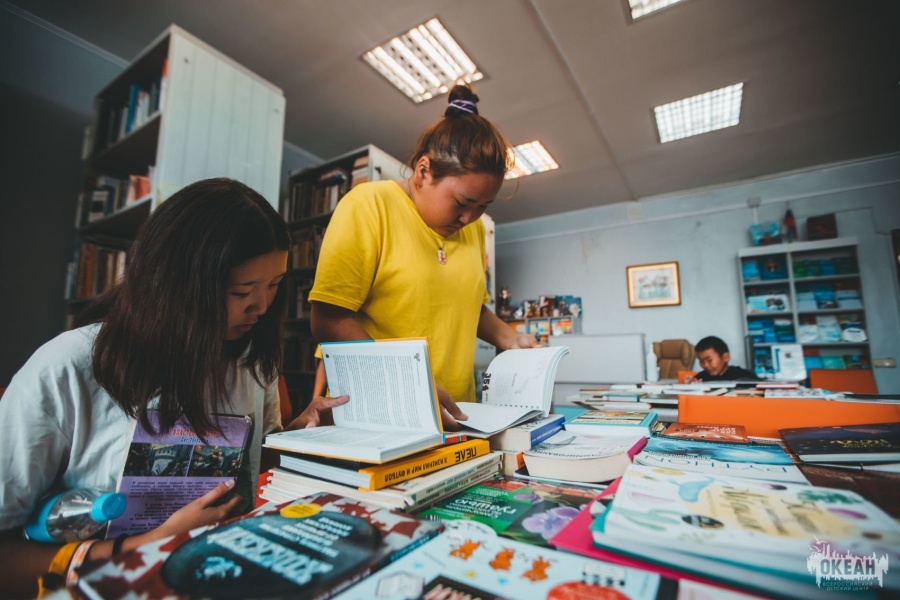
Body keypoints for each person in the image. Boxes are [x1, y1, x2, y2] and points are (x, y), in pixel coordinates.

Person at [0, 177, 344, 597]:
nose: (261, 306)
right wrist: (146, 546)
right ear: (175, 284)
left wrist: (300, 436)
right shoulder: (67, 368)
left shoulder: (252, 361)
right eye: (241, 291)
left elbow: (253, 472)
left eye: (274, 285)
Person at [309, 84, 539, 429]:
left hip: (457, 414)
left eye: (483, 206)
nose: (469, 218)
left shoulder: (474, 230)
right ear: (423, 171)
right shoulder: (368, 206)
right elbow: (328, 318)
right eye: (462, 203)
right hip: (379, 413)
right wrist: (412, 386)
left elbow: (468, 307)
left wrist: (512, 339)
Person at [691, 336, 758, 382]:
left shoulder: (743, 376)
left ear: (725, 357)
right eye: (701, 361)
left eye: (709, 360)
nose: (705, 365)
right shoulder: (700, 378)